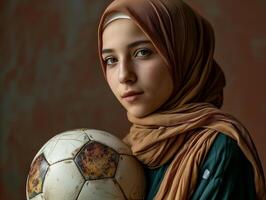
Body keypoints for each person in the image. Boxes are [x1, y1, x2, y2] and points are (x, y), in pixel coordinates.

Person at [97, 0, 266, 199]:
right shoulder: (125, 150)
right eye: (111, 60)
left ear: (183, 54)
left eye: (142, 52)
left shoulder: (218, 150)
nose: (124, 75)